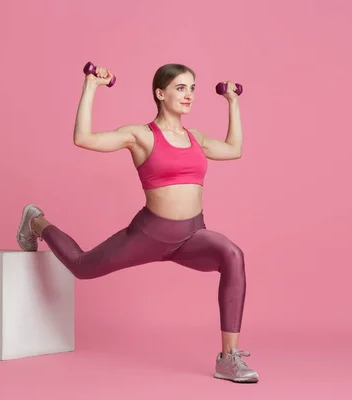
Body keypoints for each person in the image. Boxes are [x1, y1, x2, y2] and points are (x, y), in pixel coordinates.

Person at [16, 63, 259, 383]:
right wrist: (91, 87)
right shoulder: (140, 135)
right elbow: (83, 138)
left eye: (192, 89)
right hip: (148, 234)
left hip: (190, 235)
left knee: (233, 255)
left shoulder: (195, 137)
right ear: (160, 93)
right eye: (180, 88)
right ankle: (36, 222)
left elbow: (234, 149)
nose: (189, 96)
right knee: (82, 266)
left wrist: (233, 103)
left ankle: (228, 359)